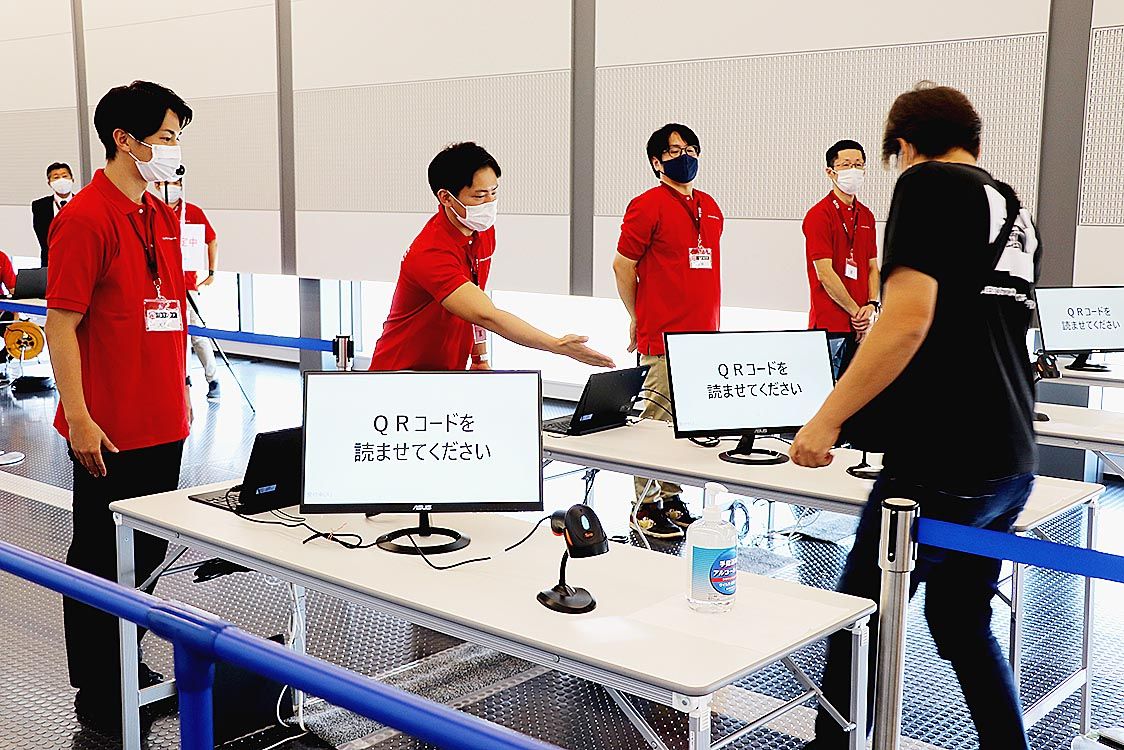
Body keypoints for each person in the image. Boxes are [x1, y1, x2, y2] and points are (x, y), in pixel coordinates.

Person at [791, 83, 1041, 750]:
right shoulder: (1012, 207)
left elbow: (905, 322)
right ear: (975, 141)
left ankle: (833, 746)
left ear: (902, 146)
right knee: (962, 624)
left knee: (860, 620)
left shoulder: (927, 185)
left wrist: (826, 420)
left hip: (942, 457)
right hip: (1010, 456)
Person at [45, 80, 193, 734]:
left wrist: (179, 393)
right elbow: (61, 323)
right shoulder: (85, 218)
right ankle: (100, 689)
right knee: (100, 557)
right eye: (165, 137)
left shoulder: (158, 213)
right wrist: (78, 416)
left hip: (164, 420)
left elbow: (164, 310)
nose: (174, 149)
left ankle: (128, 661)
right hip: (108, 428)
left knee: (150, 553)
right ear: (123, 140)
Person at [369, 142, 614, 374]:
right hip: (398, 373)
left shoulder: (482, 232)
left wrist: (480, 357)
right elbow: (487, 315)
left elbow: (476, 296)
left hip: (446, 372)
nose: (489, 203)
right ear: (445, 197)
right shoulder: (431, 252)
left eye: (493, 192)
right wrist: (556, 345)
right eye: (479, 196)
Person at [612, 123, 724, 539]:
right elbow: (623, 266)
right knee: (654, 422)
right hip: (661, 334)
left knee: (686, 426)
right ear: (657, 162)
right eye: (675, 151)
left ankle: (673, 496)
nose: (686, 155)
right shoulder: (646, 205)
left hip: (702, 336)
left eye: (691, 148)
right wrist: (637, 315)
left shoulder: (710, 206)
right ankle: (644, 505)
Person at [802, 140, 880, 379]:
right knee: (827, 388)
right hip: (831, 324)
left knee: (858, 388)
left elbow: (872, 267)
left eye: (858, 164)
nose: (853, 170)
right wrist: (856, 313)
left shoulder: (866, 215)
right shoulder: (819, 215)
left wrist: (871, 305)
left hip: (862, 323)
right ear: (830, 171)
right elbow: (824, 273)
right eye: (846, 165)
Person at [151, 177, 221, 398]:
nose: (170, 187)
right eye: (165, 183)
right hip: (160, 286)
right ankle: (180, 380)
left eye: (175, 183)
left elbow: (212, 239)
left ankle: (213, 379)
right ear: (156, 186)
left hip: (187, 284)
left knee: (197, 335)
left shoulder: (192, 212)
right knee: (168, 337)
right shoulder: (151, 211)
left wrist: (211, 272)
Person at [32, 162, 77, 267]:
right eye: (56, 177)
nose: (61, 180)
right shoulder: (39, 206)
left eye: (65, 176)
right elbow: (42, 236)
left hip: (78, 257)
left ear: (72, 179)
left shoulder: (83, 202)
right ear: (49, 183)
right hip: (51, 260)